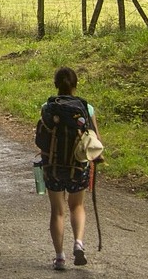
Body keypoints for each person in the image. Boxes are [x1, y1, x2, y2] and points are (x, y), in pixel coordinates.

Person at [35, 66, 99, 271]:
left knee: (57, 211)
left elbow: (40, 139)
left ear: (55, 85)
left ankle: (60, 257)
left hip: (53, 167)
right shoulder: (85, 108)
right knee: (77, 206)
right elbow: (94, 140)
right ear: (75, 85)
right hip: (77, 167)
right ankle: (79, 243)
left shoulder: (47, 107)